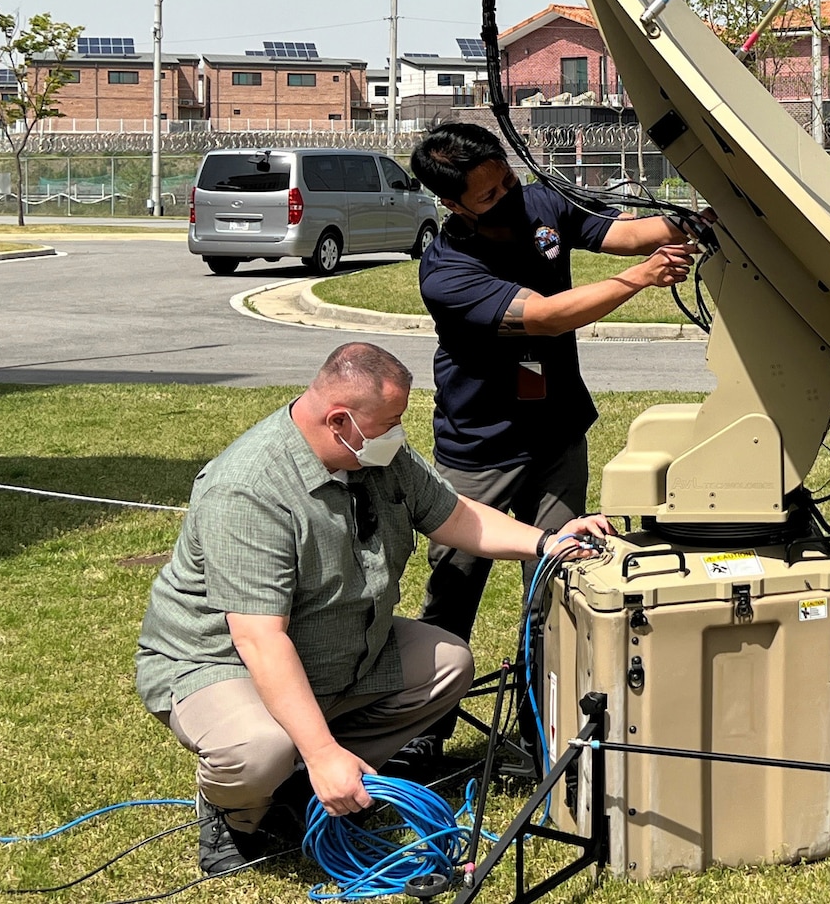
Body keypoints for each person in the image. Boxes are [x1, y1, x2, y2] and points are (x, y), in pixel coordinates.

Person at [134, 342, 611, 875]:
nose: (399, 434)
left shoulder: (373, 452)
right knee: (259, 749)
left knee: (448, 663)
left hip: (333, 643)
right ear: (339, 420)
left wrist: (546, 542)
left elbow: (454, 516)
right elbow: (259, 640)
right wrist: (319, 754)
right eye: (391, 422)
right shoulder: (249, 490)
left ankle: (305, 781)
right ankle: (233, 814)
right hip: (222, 663)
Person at [404, 121, 703, 755]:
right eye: (488, 196)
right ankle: (424, 735)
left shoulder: (539, 200)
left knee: (562, 582)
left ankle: (546, 725)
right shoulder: (446, 270)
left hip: (556, 436)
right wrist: (638, 280)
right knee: (454, 594)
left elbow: (618, 232)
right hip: (480, 449)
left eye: (506, 180)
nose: (507, 197)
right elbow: (541, 316)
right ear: (451, 203)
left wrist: (690, 222)